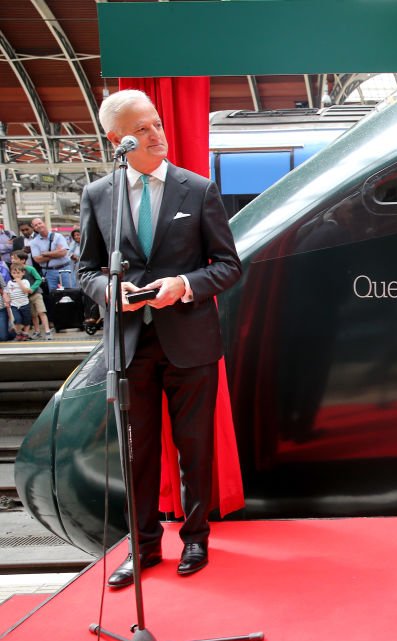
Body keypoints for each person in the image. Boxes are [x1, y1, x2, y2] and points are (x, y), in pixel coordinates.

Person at [78, 89, 242, 588]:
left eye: (157, 124)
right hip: (129, 347)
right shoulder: (99, 195)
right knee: (137, 453)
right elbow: (85, 270)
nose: (156, 135)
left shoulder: (198, 189)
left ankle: (195, 539)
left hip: (189, 341)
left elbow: (229, 267)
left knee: (194, 447)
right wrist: (111, 290)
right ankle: (144, 546)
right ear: (116, 140)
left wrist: (185, 285)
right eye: (142, 129)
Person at [10, 250, 51, 340]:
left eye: (15, 258)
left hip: (36, 294)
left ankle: (47, 331)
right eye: (12, 258)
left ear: (23, 260)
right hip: (26, 297)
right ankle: (37, 331)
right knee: (33, 315)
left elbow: (39, 279)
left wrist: (32, 289)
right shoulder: (15, 270)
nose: (13, 260)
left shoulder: (30, 269)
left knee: (41, 312)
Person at [28, 218, 73, 292]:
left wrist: (46, 254)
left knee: (70, 293)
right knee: (53, 296)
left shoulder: (58, 236)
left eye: (40, 223)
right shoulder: (34, 242)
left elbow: (63, 253)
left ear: (44, 223)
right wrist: (56, 252)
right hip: (48, 272)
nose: (38, 226)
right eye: (36, 225)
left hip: (64, 269)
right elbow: (37, 259)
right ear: (33, 228)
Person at [4, 264, 34, 341]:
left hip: (24, 304)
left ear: (23, 273)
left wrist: (19, 282)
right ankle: (18, 332)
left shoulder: (25, 281)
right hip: (14, 305)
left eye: (18, 273)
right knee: (17, 319)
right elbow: (7, 292)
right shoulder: (10, 283)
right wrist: (7, 300)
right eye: (14, 273)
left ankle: (25, 334)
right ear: (11, 273)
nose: (16, 275)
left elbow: (26, 291)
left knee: (27, 320)